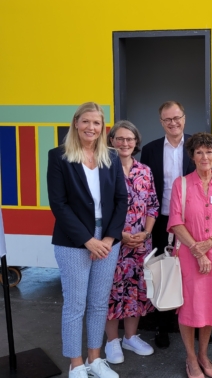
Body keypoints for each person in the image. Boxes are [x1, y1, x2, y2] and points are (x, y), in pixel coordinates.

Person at [47, 102, 128, 378]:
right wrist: (87, 240)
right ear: (76, 123)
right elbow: (58, 205)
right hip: (72, 241)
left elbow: (121, 199)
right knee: (75, 304)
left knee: (98, 302)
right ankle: (76, 364)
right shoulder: (59, 156)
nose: (91, 128)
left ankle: (95, 359)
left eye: (96, 123)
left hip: (107, 240)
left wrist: (107, 238)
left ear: (102, 127)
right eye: (86, 122)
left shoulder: (112, 157)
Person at [167, 132, 212, 378]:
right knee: (189, 307)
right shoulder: (181, 184)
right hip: (188, 255)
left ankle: (204, 354)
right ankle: (190, 358)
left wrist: (210, 244)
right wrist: (198, 251)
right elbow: (175, 222)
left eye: (209, 151)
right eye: (199, 152)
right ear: (192, 156)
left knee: (209, 306)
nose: (204, 156)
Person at [140, 101, 195, 348]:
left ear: (184, 117)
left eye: (177, 117)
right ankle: (162, 326)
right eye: (167, 119)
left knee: (192, 274)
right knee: (164, 273)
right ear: (161, 122)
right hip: (162, 221)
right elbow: (147, 189)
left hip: (192, 222)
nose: (173, 123)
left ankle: (196, 323)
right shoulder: (151, 149)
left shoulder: (197, 145)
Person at [104, 120, 160, 364]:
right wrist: (119, 234)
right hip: (112, 244)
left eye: (129, 139)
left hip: (140, 244)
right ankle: (111, 341)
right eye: (120, 138)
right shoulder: (103, 168)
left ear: (136, 142)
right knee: (111, 292)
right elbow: (98, 209)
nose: (125, 143)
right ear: (112, 141)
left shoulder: (145, 171)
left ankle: (130, 337)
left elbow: (153, 206)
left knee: (137, 291)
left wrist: (146, 234)